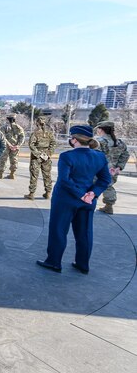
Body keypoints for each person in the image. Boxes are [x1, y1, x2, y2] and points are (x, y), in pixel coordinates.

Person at [36, 125, 111, 274]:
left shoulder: (67, 156)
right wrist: (92, 194)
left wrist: (80, 194)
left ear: (74, 140)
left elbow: (64, 180)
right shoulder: (100, 156)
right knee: (84, 233)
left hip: (65, 200)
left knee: (58, 230)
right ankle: (83, 264)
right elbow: (105, 179)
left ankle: (54, 262)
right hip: (88, 201)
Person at [95, 121, 130, 215]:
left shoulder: (99, 142)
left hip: (99, 169)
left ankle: (89, 204)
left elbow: (94, 156)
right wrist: (119, 167)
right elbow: (125, 155)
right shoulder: (119, 142)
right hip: (113, 170)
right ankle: (109, 206)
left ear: (101, 129)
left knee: (93, 185)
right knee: (108, 186)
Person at [24, 114, 56, 200]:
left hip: (36, 157)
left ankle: (32, 193)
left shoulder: (35, 133)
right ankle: (48, 192)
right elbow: (53, 143)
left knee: (34, 175)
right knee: (47, 175)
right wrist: (48, 153)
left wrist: (38, 154)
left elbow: (31, 144)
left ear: (37, 123)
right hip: (46, 156)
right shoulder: (50, 133)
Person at [0, 114, 25, 179]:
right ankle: (12, 174)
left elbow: (2, 137)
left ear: (7, 119)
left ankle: (0, 174)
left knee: (3, 159)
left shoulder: (4, 127)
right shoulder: (19, 128)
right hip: (15, 146)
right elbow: (22, 137)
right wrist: (18, 145)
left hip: (6, 146)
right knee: (14, 159)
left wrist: (9, 144)